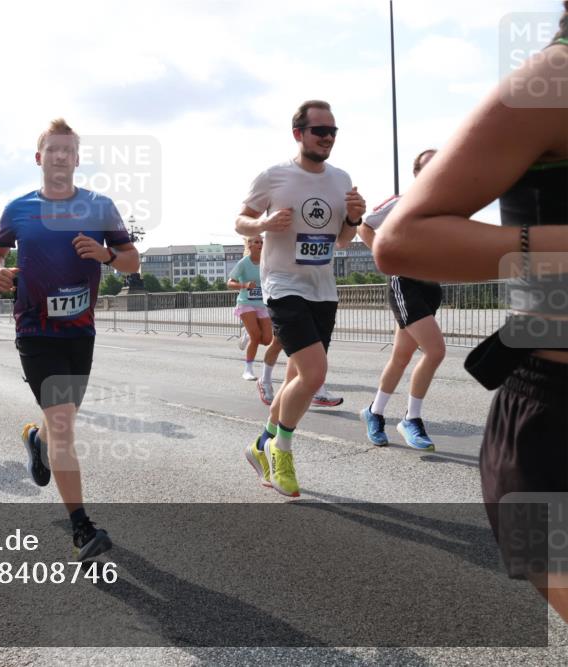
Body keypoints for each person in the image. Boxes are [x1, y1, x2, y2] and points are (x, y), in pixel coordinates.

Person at [375, 8, 568, 619]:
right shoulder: (551, 83)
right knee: (423, 350)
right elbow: (393, 241)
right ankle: (392, 413)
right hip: (552, 414)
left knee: (418, 351)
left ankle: (392, 409)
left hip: (452, 297)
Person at [0, 118, 139, 559]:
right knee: (65, 425)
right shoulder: (19, 209)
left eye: (68, 150)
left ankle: (37, 442)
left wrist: (108, 254)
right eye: (52, 150)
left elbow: (131, 261)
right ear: (39, 158)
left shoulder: (100, 207)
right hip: (35, 330)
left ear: (77, 158)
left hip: (79, 331)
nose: (60, 157)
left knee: (60, 425)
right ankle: (81, 527)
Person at [236, 100, 366, 497]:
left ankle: (261, 443)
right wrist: (264, 223)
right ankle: (282, 450)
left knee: (299, 379)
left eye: (332, 131)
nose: (327, 137)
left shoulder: (341, 179)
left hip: (323, 289)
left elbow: (342, 241)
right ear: (299, 134)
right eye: (319, 131)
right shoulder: (275, 176)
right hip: (283, 285)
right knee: (314, 374)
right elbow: (240, 220)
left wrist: (354, 219)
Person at [358, 149, 445, 450]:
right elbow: (364, 225)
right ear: (417, 173)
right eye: (429, 165)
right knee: (435, 351)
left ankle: (374, 412)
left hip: (431, 286)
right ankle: (412, 419)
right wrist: (384, 257)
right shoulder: (400, 202)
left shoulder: (447, 208)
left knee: (401, 357)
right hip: (404, 285)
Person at [228, 235, 270, 381]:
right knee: (256, 337)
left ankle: (246, 333)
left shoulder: (267, 261)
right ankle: (248, 369)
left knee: (267, 339)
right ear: (250, 245)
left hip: (261, 303)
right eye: (257, 242)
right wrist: (244, 285)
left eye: (262, 242)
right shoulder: (244, 263)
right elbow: (230, 283)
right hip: (246, 302)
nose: (260, 244)